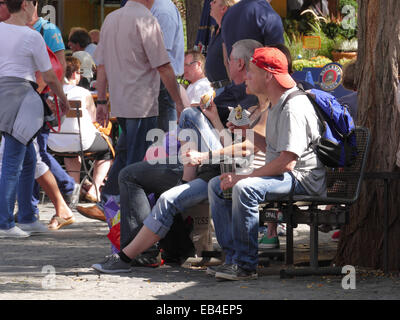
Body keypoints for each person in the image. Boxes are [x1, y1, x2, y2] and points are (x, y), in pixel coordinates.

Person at [90, 39, 264, 274]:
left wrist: (202, 153)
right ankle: (143, 253)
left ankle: (132, 253)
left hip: (217, 169)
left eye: (230, 59)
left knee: (190, 115)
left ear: (240, 63)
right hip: (206, 163)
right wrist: (213, 119)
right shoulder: (236, 94)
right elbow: (233, 142)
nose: (225, 62)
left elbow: (245, 149)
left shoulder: (251, 99)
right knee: (129, 173)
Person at [207, 46, 326, 281]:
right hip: (287, 174)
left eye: (252, 72)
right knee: (215, 186)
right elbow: (272, 149)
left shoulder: (293, 107)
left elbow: (287, 162)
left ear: (268, 75)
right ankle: (232, 259)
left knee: (244, 188)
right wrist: (246, 132)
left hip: (304, 179)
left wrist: (243, 178)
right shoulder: (276, 102)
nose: (246, 77)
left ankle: (245, 266)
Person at [76, 0, 184, 222]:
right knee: (137, 164)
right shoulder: (146, 19)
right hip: (143, 103)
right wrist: (179, 101)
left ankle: (109, 203)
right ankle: (130, 217)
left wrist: (104, 100)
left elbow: (102, 65)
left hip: (122, 103)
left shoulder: (111, 19)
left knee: (125, 154)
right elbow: (163, 65)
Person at [0, 0, 70, 238]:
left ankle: (28, 217)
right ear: (27, 4)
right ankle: (5, 222)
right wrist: (63, 99)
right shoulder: (32, 36)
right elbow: (50, 75)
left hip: (5, 95)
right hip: (22, 96)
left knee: (28, 158)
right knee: (13, 162)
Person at [47, 56, 113, 203]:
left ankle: (74, 191)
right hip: (81, 140)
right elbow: (95, 119)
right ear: (75, 73)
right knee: (108, 147)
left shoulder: (51, 92)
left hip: (55, 141)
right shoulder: (83, 92)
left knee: (70, 152)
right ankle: (94, 189)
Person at [220, 0, 284, 78]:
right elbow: (275, 60)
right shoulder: (267, 13)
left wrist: (234, 82)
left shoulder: (228, 14)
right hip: (260, 84)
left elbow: (226, 60)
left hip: (236, 83)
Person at [151, 0, 185, 133]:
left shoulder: (162, 9)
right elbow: (162, 59)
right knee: (164, 139)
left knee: (164, 138)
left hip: (161, 82)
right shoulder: (162, 9)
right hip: (161, 82)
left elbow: (162, 59)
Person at [205, 0, 238, 96]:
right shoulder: (216, 30)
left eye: (214, 2)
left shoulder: (230, 31)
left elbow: (230, 62)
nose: (210, 3)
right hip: (216, 88)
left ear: (223, 8)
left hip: (227, 88)